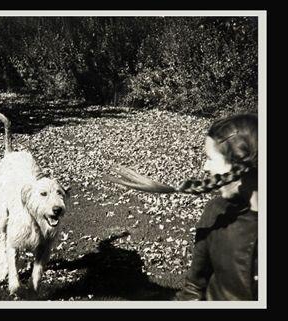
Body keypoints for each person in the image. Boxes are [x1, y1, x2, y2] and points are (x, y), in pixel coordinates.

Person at [107, 113, 258, 301]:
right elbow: (193, 289)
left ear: (239, 164)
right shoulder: (217, 213)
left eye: (210, 158)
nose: (204, 166)